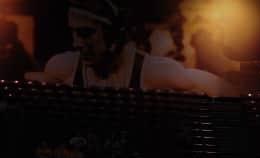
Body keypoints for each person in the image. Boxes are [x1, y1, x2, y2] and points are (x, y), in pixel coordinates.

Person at [26, 0, 233, 96]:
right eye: (73, 33)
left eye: (86, 34)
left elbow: (222, 90)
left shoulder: (150, 70)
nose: (77, 43)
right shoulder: (62, 67)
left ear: (113, 34)